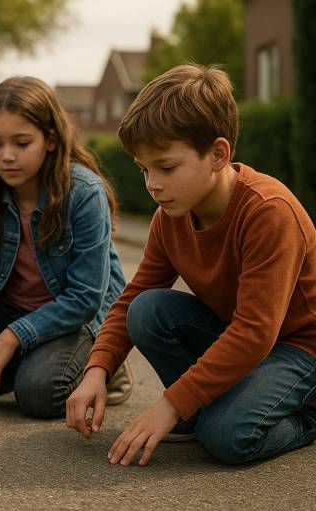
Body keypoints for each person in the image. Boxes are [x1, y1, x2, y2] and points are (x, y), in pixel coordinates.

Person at [66, 64, 316, 466]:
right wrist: (97, 370)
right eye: (144, 169)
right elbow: (132, 298)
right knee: (147, 309)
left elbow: (255, 333)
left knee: (227, 436)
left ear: (218, 154)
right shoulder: (170, 217)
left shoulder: (269, 212)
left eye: (166, 167)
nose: (153, 183)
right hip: (243, 338)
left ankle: (303, 416)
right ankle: (198, 412)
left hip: (301, 349)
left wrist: (170, 403)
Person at [0, 76, 131, 418]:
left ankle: (104, 363)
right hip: (11, 306)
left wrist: (11, 338)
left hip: (78, 315)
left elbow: (85, 298)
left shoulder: (84, 192)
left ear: (50, 139)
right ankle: (35, 361)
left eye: (21, 143)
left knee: (39, 393)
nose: (7, 156)